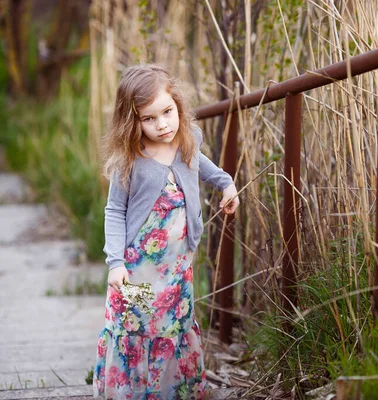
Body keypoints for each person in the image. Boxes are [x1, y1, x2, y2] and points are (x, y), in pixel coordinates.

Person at [93, 64, 239, 399]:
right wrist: (115, 262)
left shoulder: (187, 141)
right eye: (149, 118)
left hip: (176, 268)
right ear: (133, 122)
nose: (162, 125)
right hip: (137, 267)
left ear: (178, 106)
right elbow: (114, 211)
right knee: (136, 327)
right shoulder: (131, 160)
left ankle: (174, 392)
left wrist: (226, 184)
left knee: (173, 325)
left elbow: (203, 166)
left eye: (167, 113)